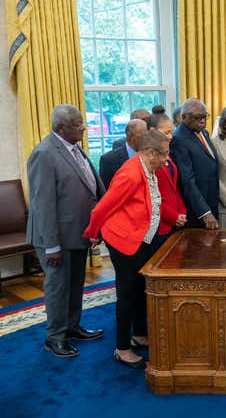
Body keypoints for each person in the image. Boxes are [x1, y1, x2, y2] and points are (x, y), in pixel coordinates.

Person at [84, 130, 170, 368]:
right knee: (127, 293)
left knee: (141, 287)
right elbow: (101, 209)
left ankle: (139, 334)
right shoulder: (130, 174)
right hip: (124, 241)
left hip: (143, 238)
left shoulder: (149, 168)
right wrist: (92, 234)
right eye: (165, 154)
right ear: (152, 153)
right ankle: (122, 348)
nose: (167, 159)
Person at [27, 104, 106, 358]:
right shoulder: (44, 153)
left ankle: (72, 328)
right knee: (58, 288)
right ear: (61, 128)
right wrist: (52, 245)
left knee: (74, 285)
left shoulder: (75, 147)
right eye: (76, 124)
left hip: (77, 234)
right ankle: (55, 337)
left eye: (81, 122)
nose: (83, 127)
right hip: (55, 238)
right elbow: (43, 204)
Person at [170, 98, 220, 229]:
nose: (202, 121)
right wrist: (205, 212)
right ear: (183, 117)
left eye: (205, 116)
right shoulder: (178, 139)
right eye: (198, 117)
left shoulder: (203, 132)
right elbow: (187, 181)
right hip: (197, 210)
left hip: (211, 201)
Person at [148, 105, 187, 242]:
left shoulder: (167, 155)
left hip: (176, 222)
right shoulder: (148, 159)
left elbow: (175, 189)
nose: (170, 136)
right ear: (153, 132)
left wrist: (181, 212)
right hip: (161, 225)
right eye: (166, 133)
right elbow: (152, 198)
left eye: (171, 132)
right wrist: (173, 217)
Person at [99, 119, 147, 189]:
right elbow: (106, 191)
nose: (147, 140)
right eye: (143, 136)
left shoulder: (151, 155)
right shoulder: (109, 160)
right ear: (131, 138)